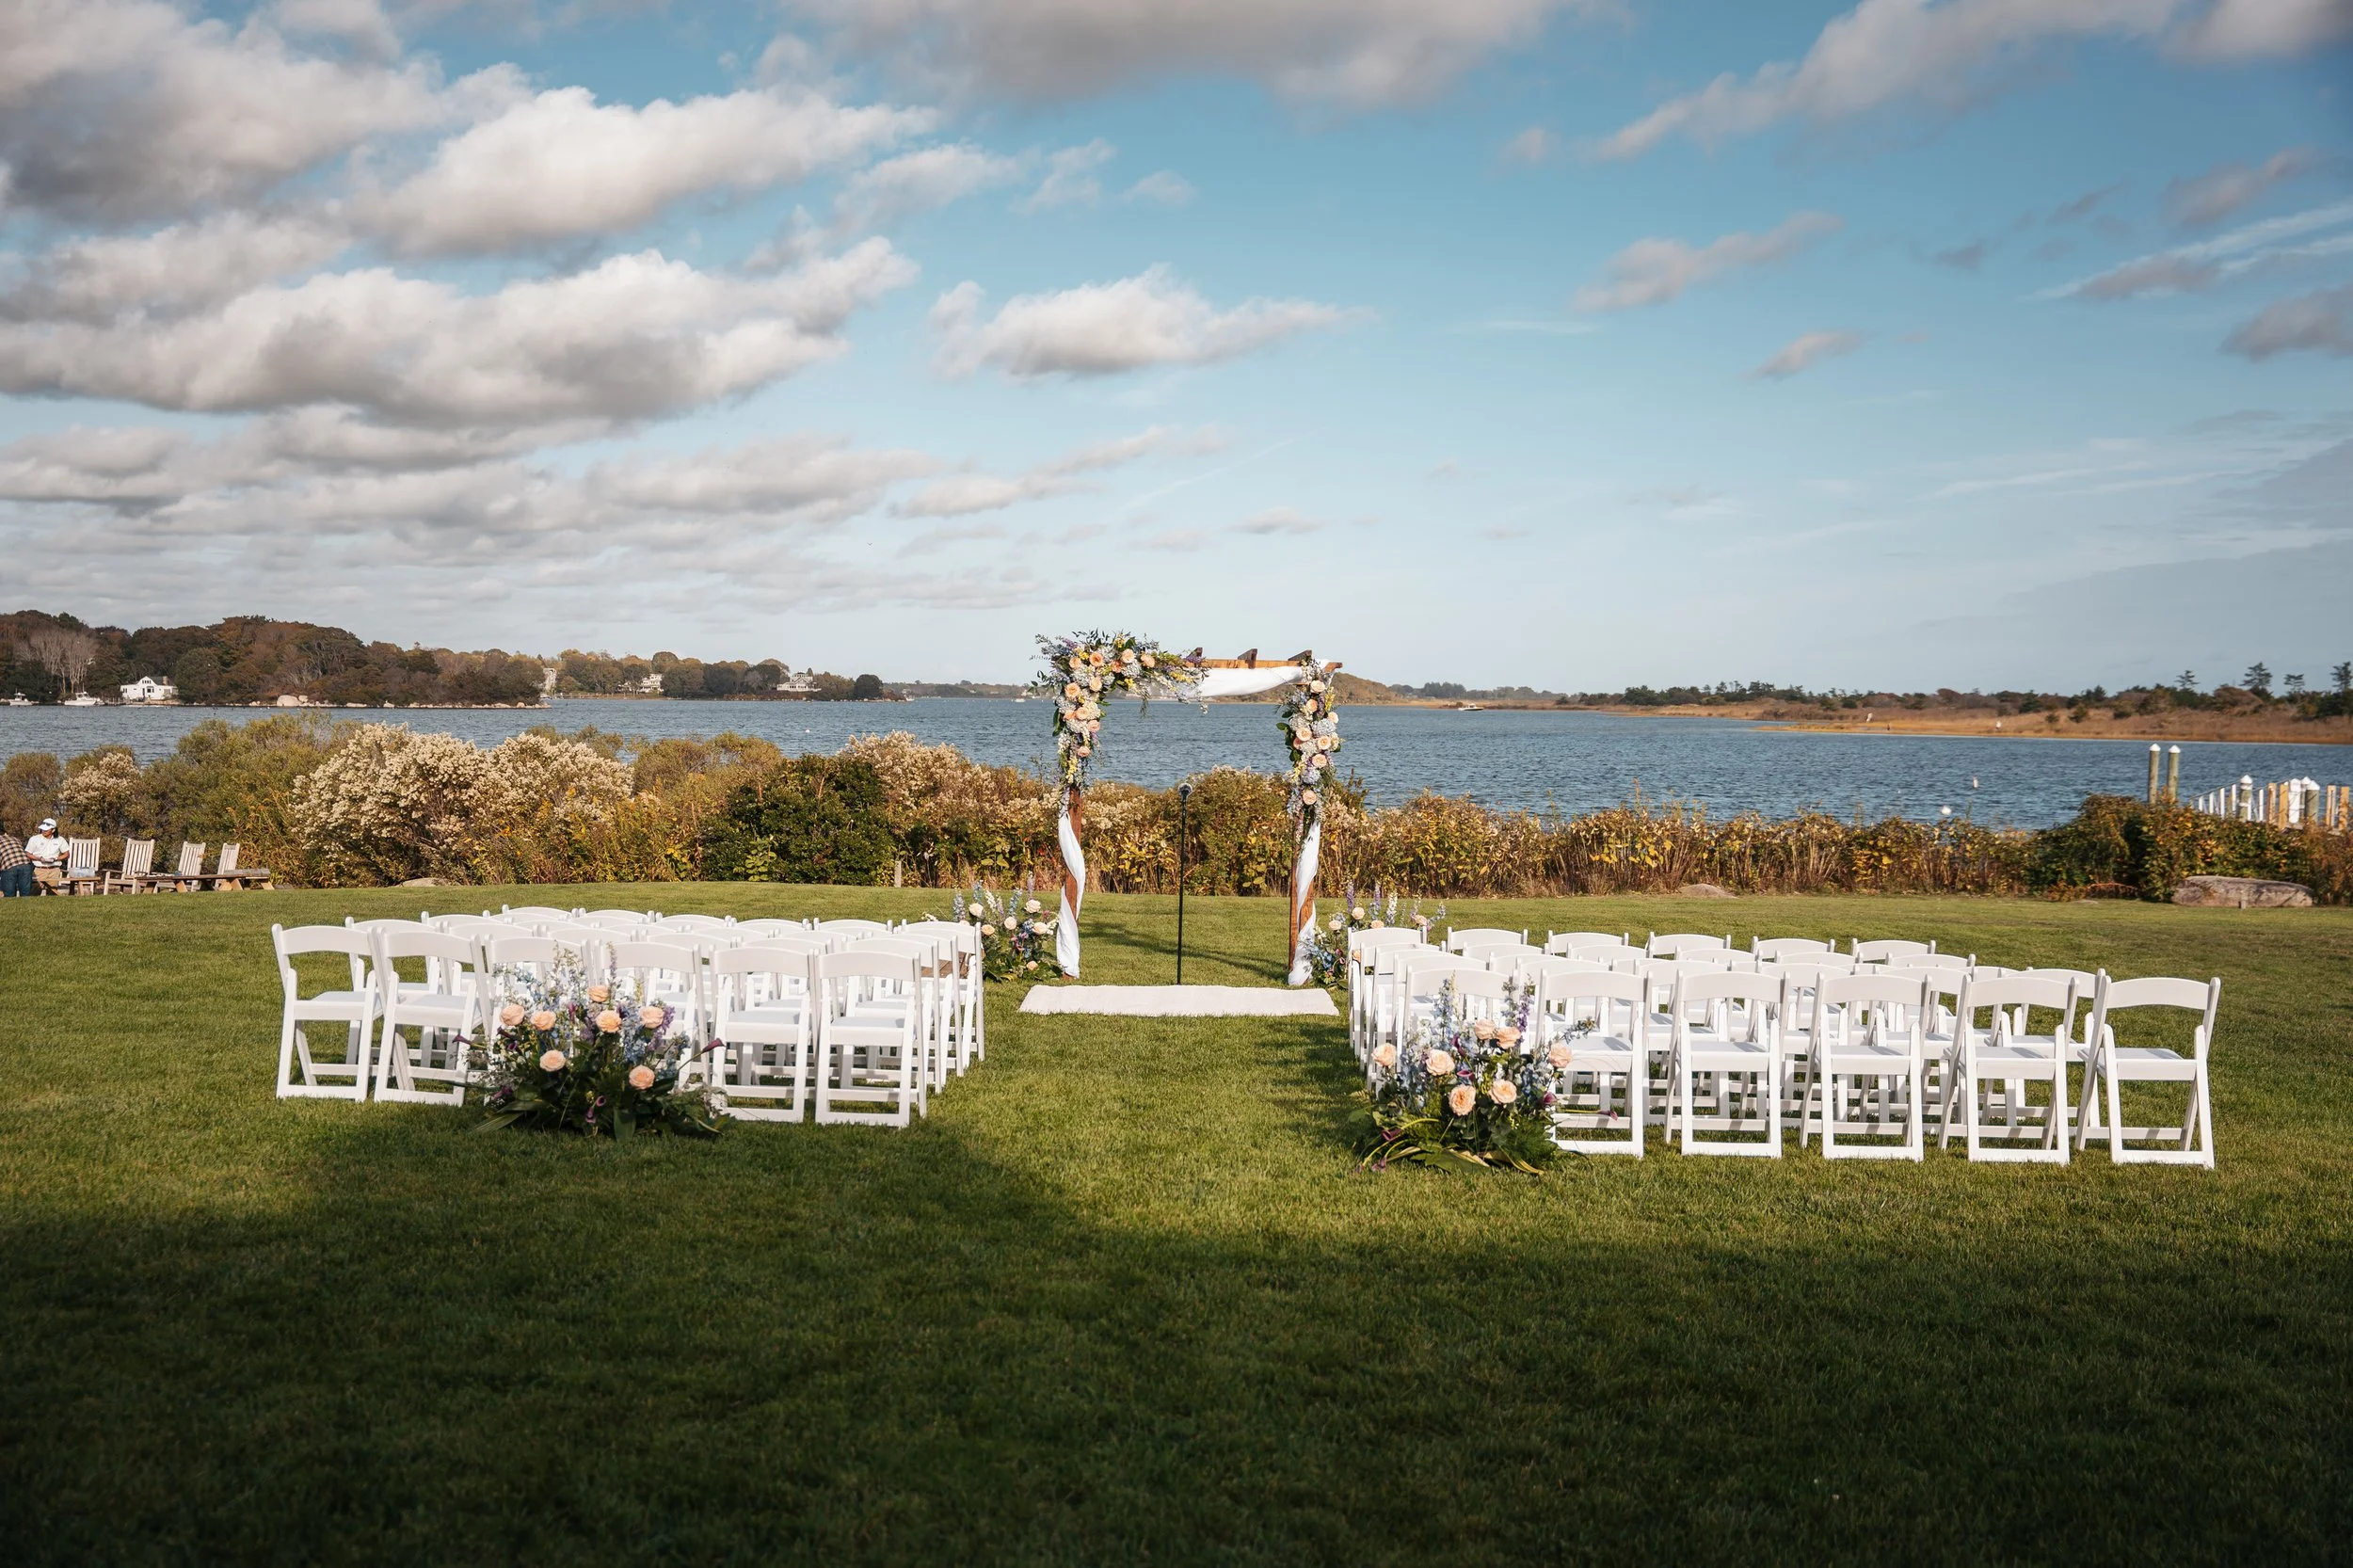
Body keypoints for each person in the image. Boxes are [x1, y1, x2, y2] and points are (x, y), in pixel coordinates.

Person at [24, 817, 67, 894]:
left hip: (54, 870)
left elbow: (66, 854)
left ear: (53, 830)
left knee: (53, 894)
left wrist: (56, 858)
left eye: (46, 830)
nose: (43, 831)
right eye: (42, 829)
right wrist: (39, 858)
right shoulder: (34, 839)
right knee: (34, 894)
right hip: (39, 870)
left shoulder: (60, 839)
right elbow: (28, 853)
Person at [0, 826, 29, 898]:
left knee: (9, 895)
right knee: (25, 894)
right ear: (6, 833)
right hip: (26, 865)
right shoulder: (15, 839)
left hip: (9, 866)